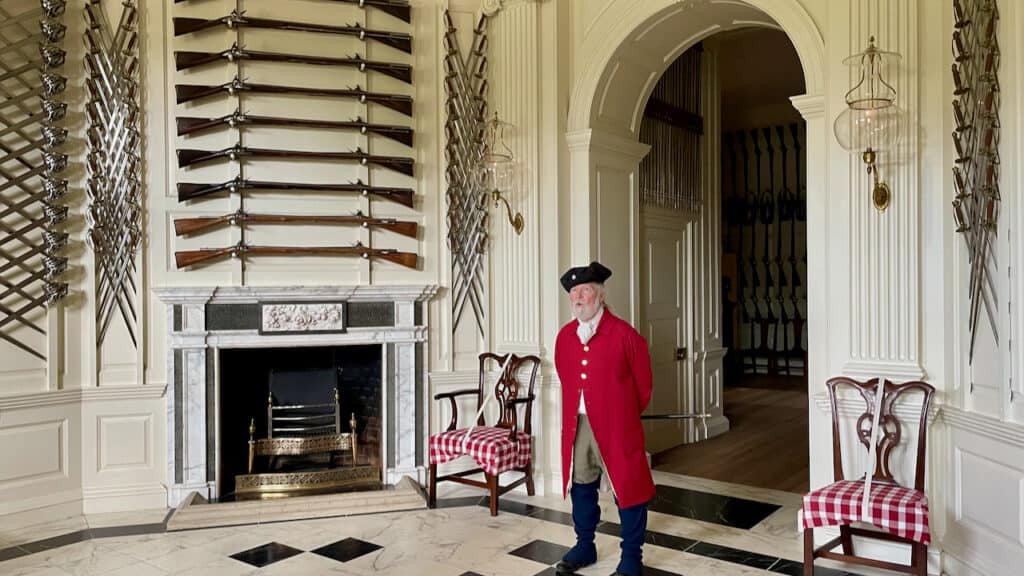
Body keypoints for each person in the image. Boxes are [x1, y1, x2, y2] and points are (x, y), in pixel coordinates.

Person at [554, 261, 654, 576]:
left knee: (629, 488)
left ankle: (631, 557)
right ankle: (585, 545)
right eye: (573, 293)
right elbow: (564, 376)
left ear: (600, 294)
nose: (578, 298)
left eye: (585, 290)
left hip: (618, 426)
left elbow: (644, 386)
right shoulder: (564, 337)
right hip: (578, 426)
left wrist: (621, 415)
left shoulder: (625, 334)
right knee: (581, 487)